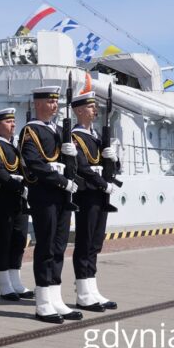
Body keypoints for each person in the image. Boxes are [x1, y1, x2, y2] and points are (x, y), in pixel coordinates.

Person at [19, 86, 82, 324]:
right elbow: (34, 163)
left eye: (56, 102)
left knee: (59, 246)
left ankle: (56, 297)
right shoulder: (31, 130)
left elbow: (66, 163)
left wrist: (71, 154)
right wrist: (61, 181)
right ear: (38, 104)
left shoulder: (58, 130)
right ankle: (43, 301)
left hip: (62, 195)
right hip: (44, 194)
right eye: (49, 101)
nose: (54, 106)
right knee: (45, 247)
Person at [70, 91, 118, 311]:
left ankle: (92, 287)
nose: (95, 111)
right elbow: (82, 166)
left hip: (100, 193)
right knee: (85, 241)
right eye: (90, 107)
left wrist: (113, 159)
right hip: (88, 193)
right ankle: (82, 291)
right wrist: (102, 183)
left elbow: (109, 167)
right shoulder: (75, 136)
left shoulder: (97, 136)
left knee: (96, 243)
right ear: (79, 111)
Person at [0, 108, 33, 301]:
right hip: (3, 198)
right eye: (8, 122)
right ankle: (5, 285)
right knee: (4, 241)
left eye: (13, 121)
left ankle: (16, 281)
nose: (13, 125)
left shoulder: (16, 145)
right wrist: (16, 183)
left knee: (19, 239)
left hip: (19, 198)